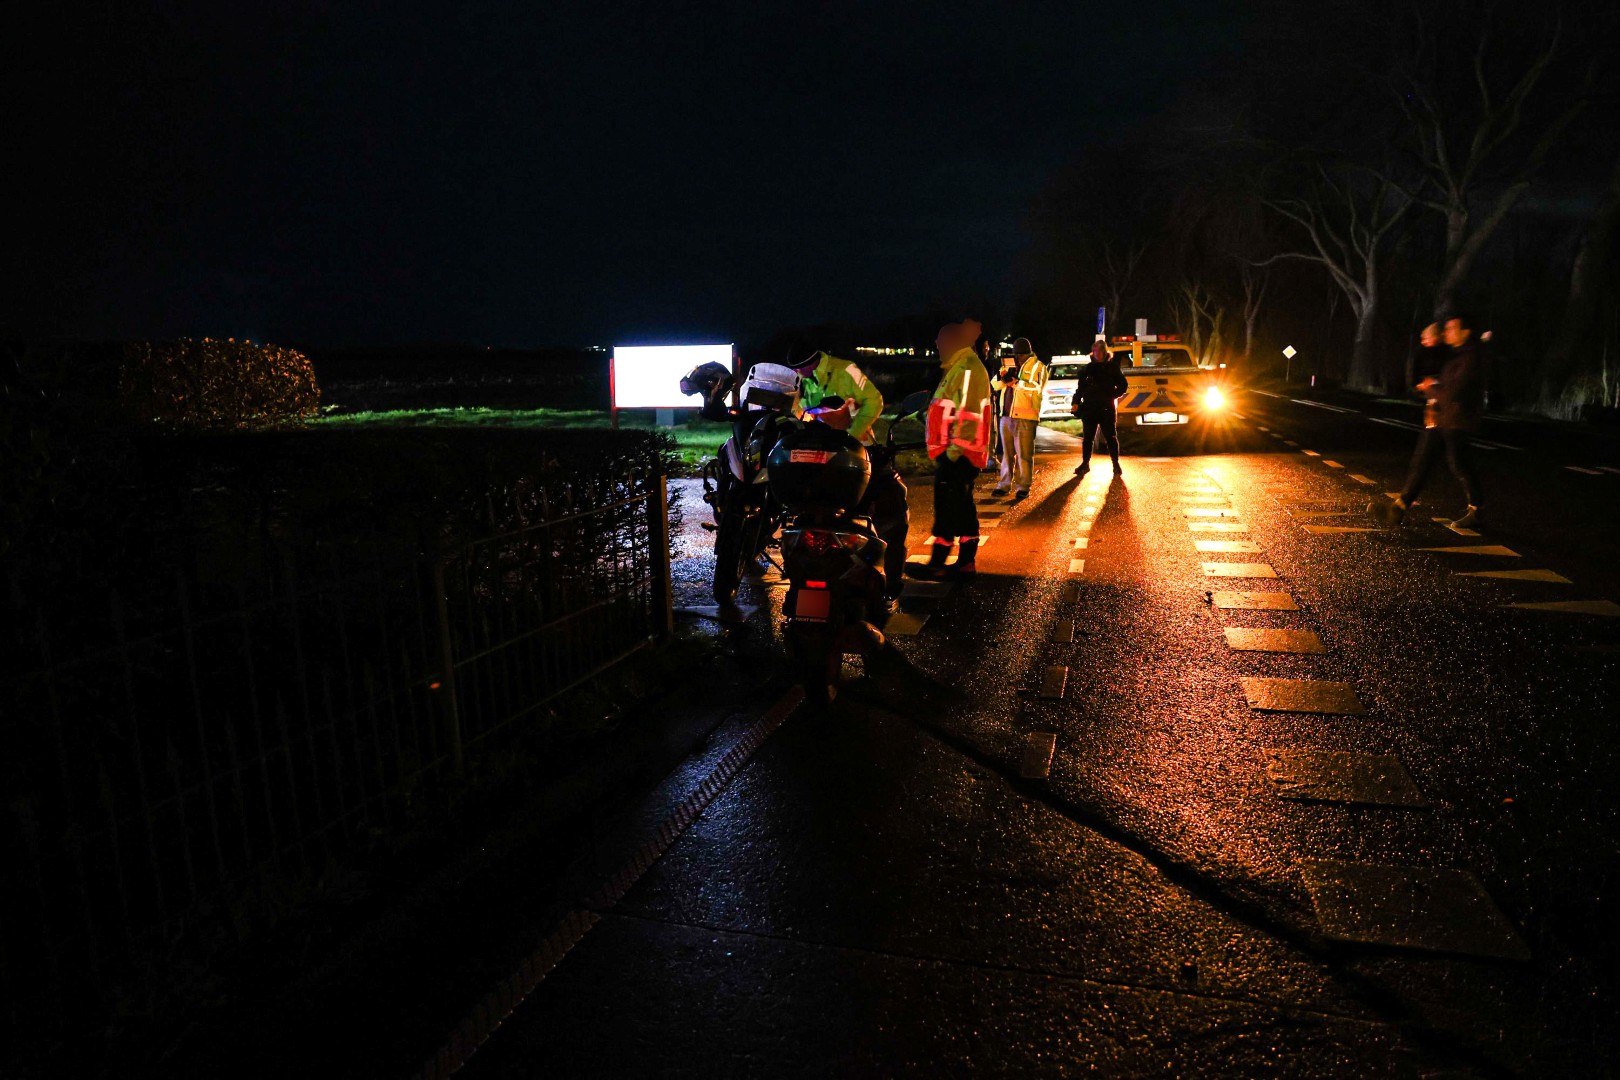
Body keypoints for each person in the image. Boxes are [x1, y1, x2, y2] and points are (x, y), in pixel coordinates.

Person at [1372, 315, 1487, 528]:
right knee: (1422, 462)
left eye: (1452, 328)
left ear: (1465, 332)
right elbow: (1438, 374)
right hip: (1441, 418)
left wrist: (1430, 387)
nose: (1447, 332)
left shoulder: (1470, 358)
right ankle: (1398, 508)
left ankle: (1477, 510)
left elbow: (1454, 391)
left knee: (1459, 465)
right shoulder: (1456, 355)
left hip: (1457, 421)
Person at [906, 319, 992, 580]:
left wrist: (952, 454)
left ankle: (939, 564)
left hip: (959, 454)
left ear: (954, 342)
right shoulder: (957, 368)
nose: (936, 343)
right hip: (957, 453)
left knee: (947, 509)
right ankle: (964, 564)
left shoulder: (966, 369)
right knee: (961, 509)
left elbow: (969, 415)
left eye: (941, 339)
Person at [786, 346, 884, 444]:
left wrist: (852, 435)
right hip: (820, 444)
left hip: (854, 445)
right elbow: (798, 410)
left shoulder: (846, 369)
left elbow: (874, 401)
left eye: (797, 369)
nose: (795, 372)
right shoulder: (800, 379)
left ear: (809, 365)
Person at [992, 337, 1046, 501]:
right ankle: (1004, 485)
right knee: (1006, 455)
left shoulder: (1038, 366)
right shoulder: (1009, 365)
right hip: (1006, 416)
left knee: (1024, 455)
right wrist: (1002, 378)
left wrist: (1017, 383)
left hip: (1025, 418)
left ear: (1026, 353)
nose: (1016, 358)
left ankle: (1023, 487)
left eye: (1018, 355)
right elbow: (995, 385)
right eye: (1015, 355)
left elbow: (1037, 387)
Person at [1070, 338, 1128, 478]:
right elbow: (1080, 388)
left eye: (1100, 351)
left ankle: (1116, 464)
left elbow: (1123, 386)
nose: (1097, 353)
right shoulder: (1087, 369)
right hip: (1090, 408)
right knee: (1088, 438)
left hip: (1106, 408)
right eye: (1095, 350)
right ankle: (1085, 464)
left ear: (1104, 352)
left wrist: (1111, 395)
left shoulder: (1112, 368)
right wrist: (1075, 402)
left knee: (1110, 437)